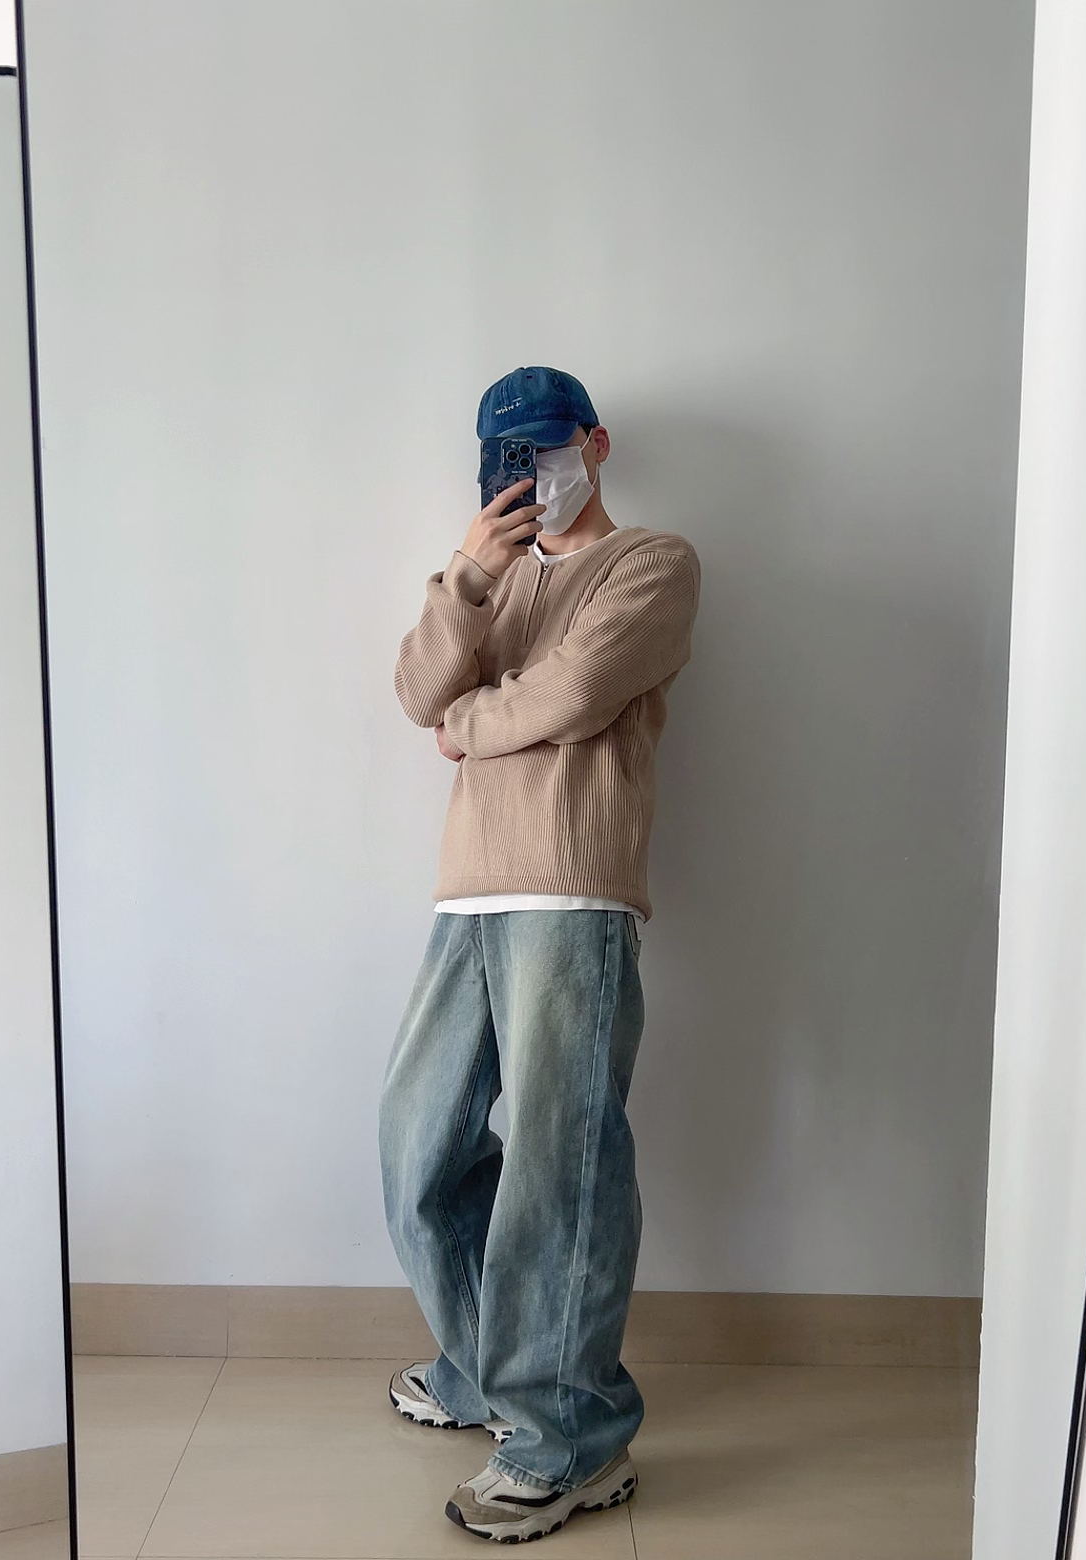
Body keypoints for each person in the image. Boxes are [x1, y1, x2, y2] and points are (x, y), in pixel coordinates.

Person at [378, 366, 700, 1543]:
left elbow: (572, 693)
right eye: (506, 458)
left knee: (560, 1166)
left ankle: (571, 1438)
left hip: (571, 889)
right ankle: (485, 1370)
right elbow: (415, 687)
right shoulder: (493, 579)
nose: (530, 475)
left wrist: (466, 724)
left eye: (546, 450)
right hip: (469, 895)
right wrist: (470, 575)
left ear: (594, 444)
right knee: (417, 1144)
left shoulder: (653, 563)